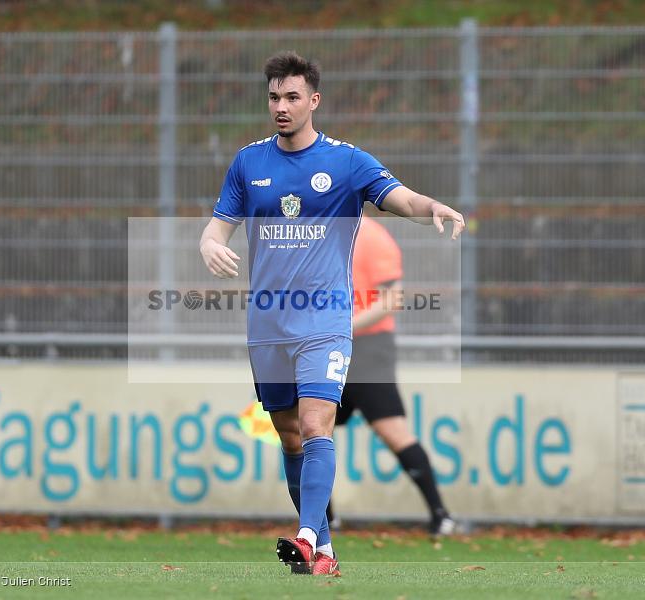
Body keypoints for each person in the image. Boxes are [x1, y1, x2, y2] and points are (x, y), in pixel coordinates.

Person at [199, 51, 464, 576]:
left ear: (313, 101)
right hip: (268, 323)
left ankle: (305, 535)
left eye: (292, 97)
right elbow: (217, 225)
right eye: (274, 96)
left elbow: (401, 198)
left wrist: (431, 206)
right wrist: (208, 244)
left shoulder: (346, 162)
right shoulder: (248, 162)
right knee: (290, 433)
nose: (281, 105)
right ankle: (323, 551)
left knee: (318, 425)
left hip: (325, 322)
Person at [328, 212, 457, 537]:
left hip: (368, 349)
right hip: (325, 346)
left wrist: (344, 326)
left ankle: (441, 516)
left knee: (392, 431)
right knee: (312, 430)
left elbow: (391, 298)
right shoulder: (319, 234)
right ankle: (323, 522)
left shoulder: (372, 236)